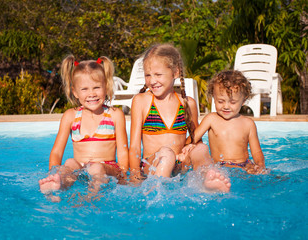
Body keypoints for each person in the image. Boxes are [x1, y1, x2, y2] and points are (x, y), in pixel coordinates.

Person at [129, 43, 231, 192]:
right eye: (148, 75)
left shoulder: (187, 103)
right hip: (152, 164)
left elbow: (196, 138)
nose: (152, 80)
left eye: (158, 75)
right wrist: (134, 176)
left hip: (179, 165)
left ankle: (207, 181)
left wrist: (190, 147)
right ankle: (157, 191)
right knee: (167, 153)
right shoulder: (141, 101)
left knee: (201, 149)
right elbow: (134, 147)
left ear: (175, 73)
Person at [39, 55, 129, 198]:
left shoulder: (115, 115)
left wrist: (123, 176)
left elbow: (123, 153)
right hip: (81, 170)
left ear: (106, 87)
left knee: (97, 167)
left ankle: (91, 197)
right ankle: (57, 184)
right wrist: (53, 172)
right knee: (69, 163)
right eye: (85, 89)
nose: (91, 94)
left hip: (107, 168)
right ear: (75, 92)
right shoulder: (71, 116)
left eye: (97, 88)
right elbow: (57, 152)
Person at [191, 70, 266, 174]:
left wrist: (260, 166)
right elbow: (193, 138)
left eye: (232, 102)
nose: (226, 106)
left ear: (243, 101)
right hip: (220, 166)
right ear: (214, 98)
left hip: (245, 165)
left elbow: (256, 152)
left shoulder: (248, 124)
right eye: (220, 101)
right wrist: (188, 147)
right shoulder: (211, 119)